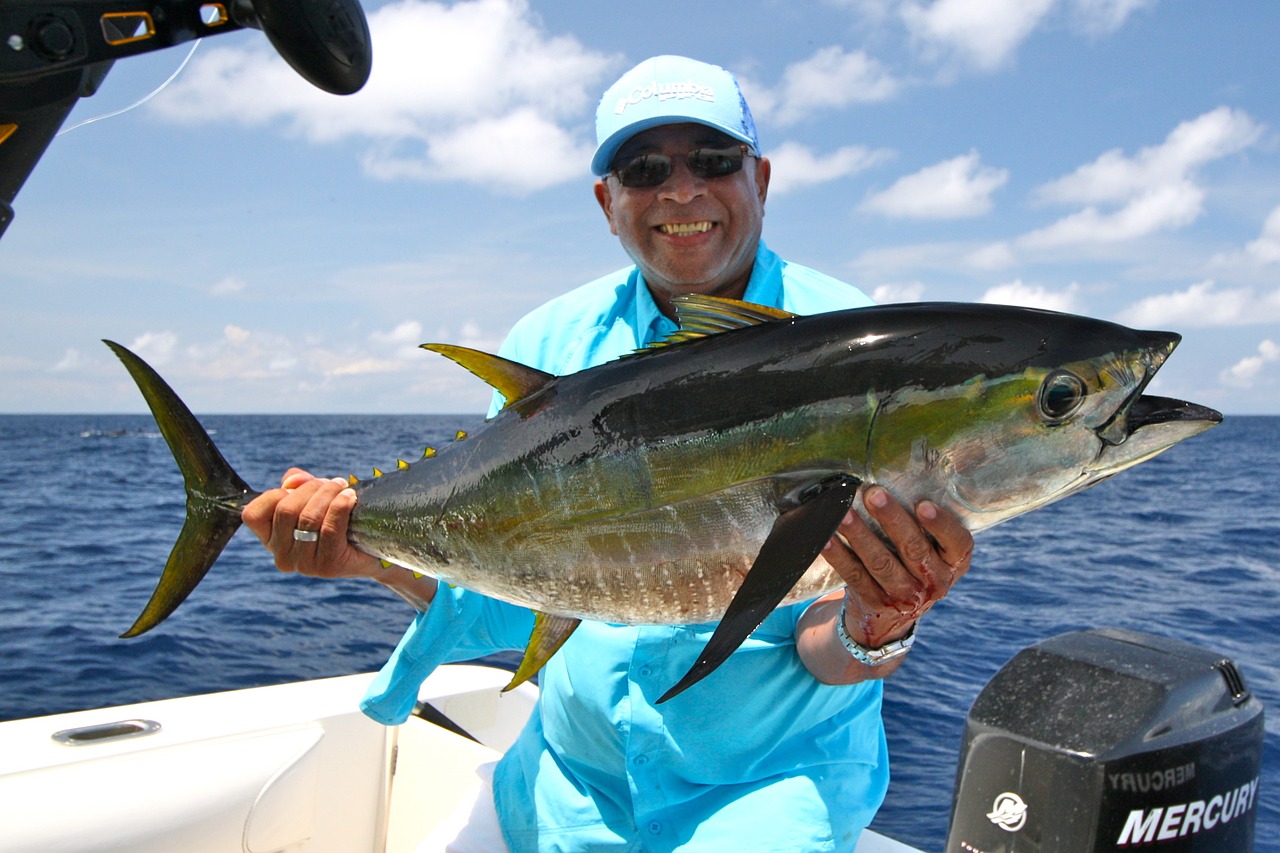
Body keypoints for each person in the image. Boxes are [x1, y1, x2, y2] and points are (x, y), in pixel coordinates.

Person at [243, 56, 973, 852]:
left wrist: (879, 620)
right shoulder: (551, 346)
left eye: (715, 160)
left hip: (762, 797)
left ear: (761, 177)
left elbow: (820, 636)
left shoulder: (857, 345)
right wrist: (372, 557)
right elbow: (516, 577)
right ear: (608, 200)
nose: (682, 190)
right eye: (645, 167)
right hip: (568, 788)